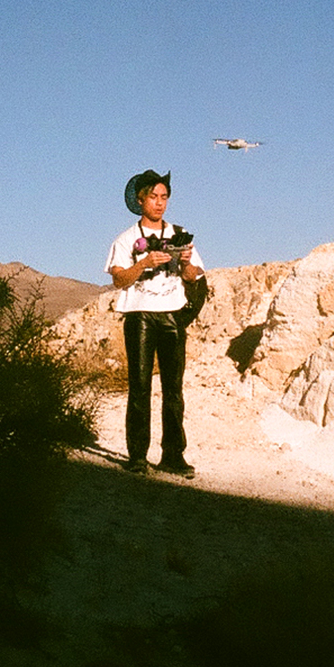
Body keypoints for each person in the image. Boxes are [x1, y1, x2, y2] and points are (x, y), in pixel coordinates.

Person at [106, 169, 204, 478]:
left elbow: (194, 276)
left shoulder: (180, 233)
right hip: (139, 315)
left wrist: (185, 263)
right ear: (140, 200)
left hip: (172, 314)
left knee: (174, 389)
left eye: (164, 197)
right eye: (153, 197)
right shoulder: (125, 239)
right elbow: (119, 280)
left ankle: (173, 455)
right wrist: (145, 263)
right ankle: (138, 456)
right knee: (140, 387)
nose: (159, 203)